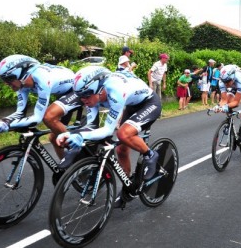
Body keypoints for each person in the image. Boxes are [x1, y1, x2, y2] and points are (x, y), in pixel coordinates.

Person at [57, 66, 162, 205]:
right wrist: (71, 134)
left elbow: (107, 130)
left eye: (87, 95)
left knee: (123, 134)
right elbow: (90, 127)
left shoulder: (115, 91)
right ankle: (129, 186)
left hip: (149, 103)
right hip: (131, 104)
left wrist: (80, 136)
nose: (84, 100)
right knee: (121, 150)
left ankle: (150, 155)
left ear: (100, 89)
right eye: (80, 96)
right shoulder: (90, 94)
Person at [0, 55, 82, 160]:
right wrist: (2, 121)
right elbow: (20, 113)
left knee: (48, 116)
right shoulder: (22, 83)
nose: (6, 83)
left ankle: (79, 153)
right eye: (4, 80)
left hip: (77, 90)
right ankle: (68, 169)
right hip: (63, 92)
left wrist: (8, 125)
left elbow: (37, 119)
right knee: (54, 138)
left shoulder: (42, 78)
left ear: (22, 74)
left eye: (8, 79)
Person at [214, 64, 241, 156]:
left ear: (232, 77)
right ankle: (229, 123)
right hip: (234, 88)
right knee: (227, 101)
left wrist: (225, 107)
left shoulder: (240, 79)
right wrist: (218, 106)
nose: (226, 84)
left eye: (228, 81)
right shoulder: (222, 81)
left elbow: (236, 102)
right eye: (224, 82)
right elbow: (223, 100)